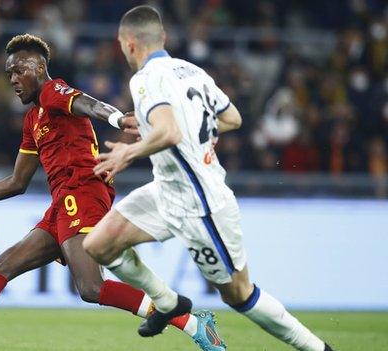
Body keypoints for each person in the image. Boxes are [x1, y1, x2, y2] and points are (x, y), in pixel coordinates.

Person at [0, 34, 224, 350]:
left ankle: (191, 323)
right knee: (0, 266)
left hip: (84, 192)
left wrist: (120, 119)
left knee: (91, 288)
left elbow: (90, 105)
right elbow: (17, 182)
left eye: (18, 71)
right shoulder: (32, 119)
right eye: (8, 74)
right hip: (62, 204)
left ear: (37, 68)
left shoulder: (53, 91)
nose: (13, 80)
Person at [83, 6, 334, 351]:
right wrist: (177, 135)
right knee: (98, 245)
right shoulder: (192, 71)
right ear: (163, 39)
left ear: (128, 44)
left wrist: (129, 151)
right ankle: (169, 304)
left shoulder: (144, 79)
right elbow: (232, 118)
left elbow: (169, 132)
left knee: (239, 294)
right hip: (167, 189)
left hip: (200, 203)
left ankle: (317, 348)